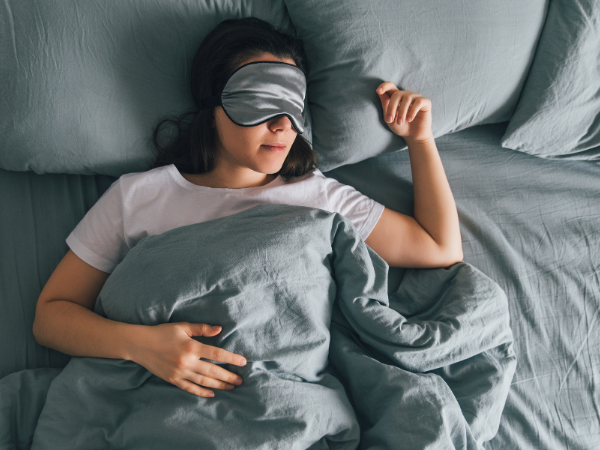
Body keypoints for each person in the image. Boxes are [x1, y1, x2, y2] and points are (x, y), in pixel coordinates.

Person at [33, 17, 462, 400]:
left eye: (293, 104)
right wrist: (142, 345)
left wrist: (420, 141)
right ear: (213, 105)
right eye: (260, 99)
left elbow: (439, 247)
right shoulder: (136, 197)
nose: (282, 124)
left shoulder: (319, 197)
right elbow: (51, 316)